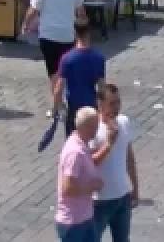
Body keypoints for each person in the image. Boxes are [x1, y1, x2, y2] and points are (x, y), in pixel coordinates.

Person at [24, 0, 84, 118]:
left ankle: (57, 106)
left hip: (48, 35)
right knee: (65, 71)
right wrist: (82, 31)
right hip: (68, 34)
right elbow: (81, 11)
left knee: (53, 73)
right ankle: (64, 101)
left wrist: (26, 25)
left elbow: (33, 10)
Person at [90, 83, 139, 242]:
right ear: (100, 104)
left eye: (118, 102)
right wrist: (109, 143)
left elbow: (129, 157)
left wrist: (135, 187)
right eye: (112, 103)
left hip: (122, 197)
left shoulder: (123, 122)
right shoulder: (93, 129)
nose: (116, 107)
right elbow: (90, 163)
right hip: (100, 200)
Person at [56, 106, 103, 241]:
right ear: (88, 127)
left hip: (84, 217)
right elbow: (67, 188)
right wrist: (92, 186)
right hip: (73, 222)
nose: (97, 129)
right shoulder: (75, 152)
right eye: (95, 125)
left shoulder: (81, 144)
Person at [54, 21, 105, 135]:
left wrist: (58, 107)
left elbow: (58, 88)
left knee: (73, 142)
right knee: (91, 142)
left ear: (75, 33)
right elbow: (102, 88)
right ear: (89, 33)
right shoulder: (98, 57)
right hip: (91, 106)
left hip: (73, 107)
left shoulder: (67, 58)